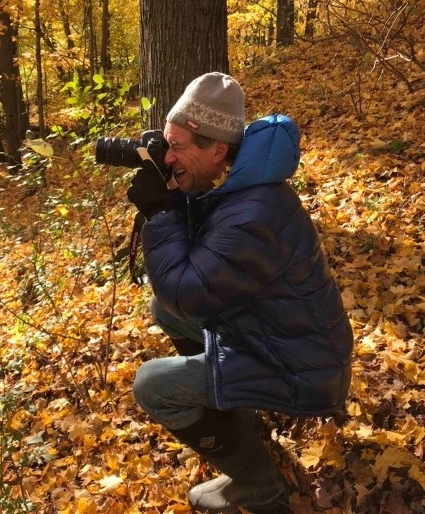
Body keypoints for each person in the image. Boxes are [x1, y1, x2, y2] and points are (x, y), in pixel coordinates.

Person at [126, 72, 353, 514]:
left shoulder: (253, 213)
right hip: (283, 337)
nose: (167, 157)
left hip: (301, 367)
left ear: (217, 149)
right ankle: (236, 413)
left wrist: (159, 214)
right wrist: (176, 194)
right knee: (162, 310)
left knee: (152, 386)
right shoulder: (243, 189)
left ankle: (257, 486)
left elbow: (188, 292)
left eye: (177, 147)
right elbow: (200, 270)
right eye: (166, 143)